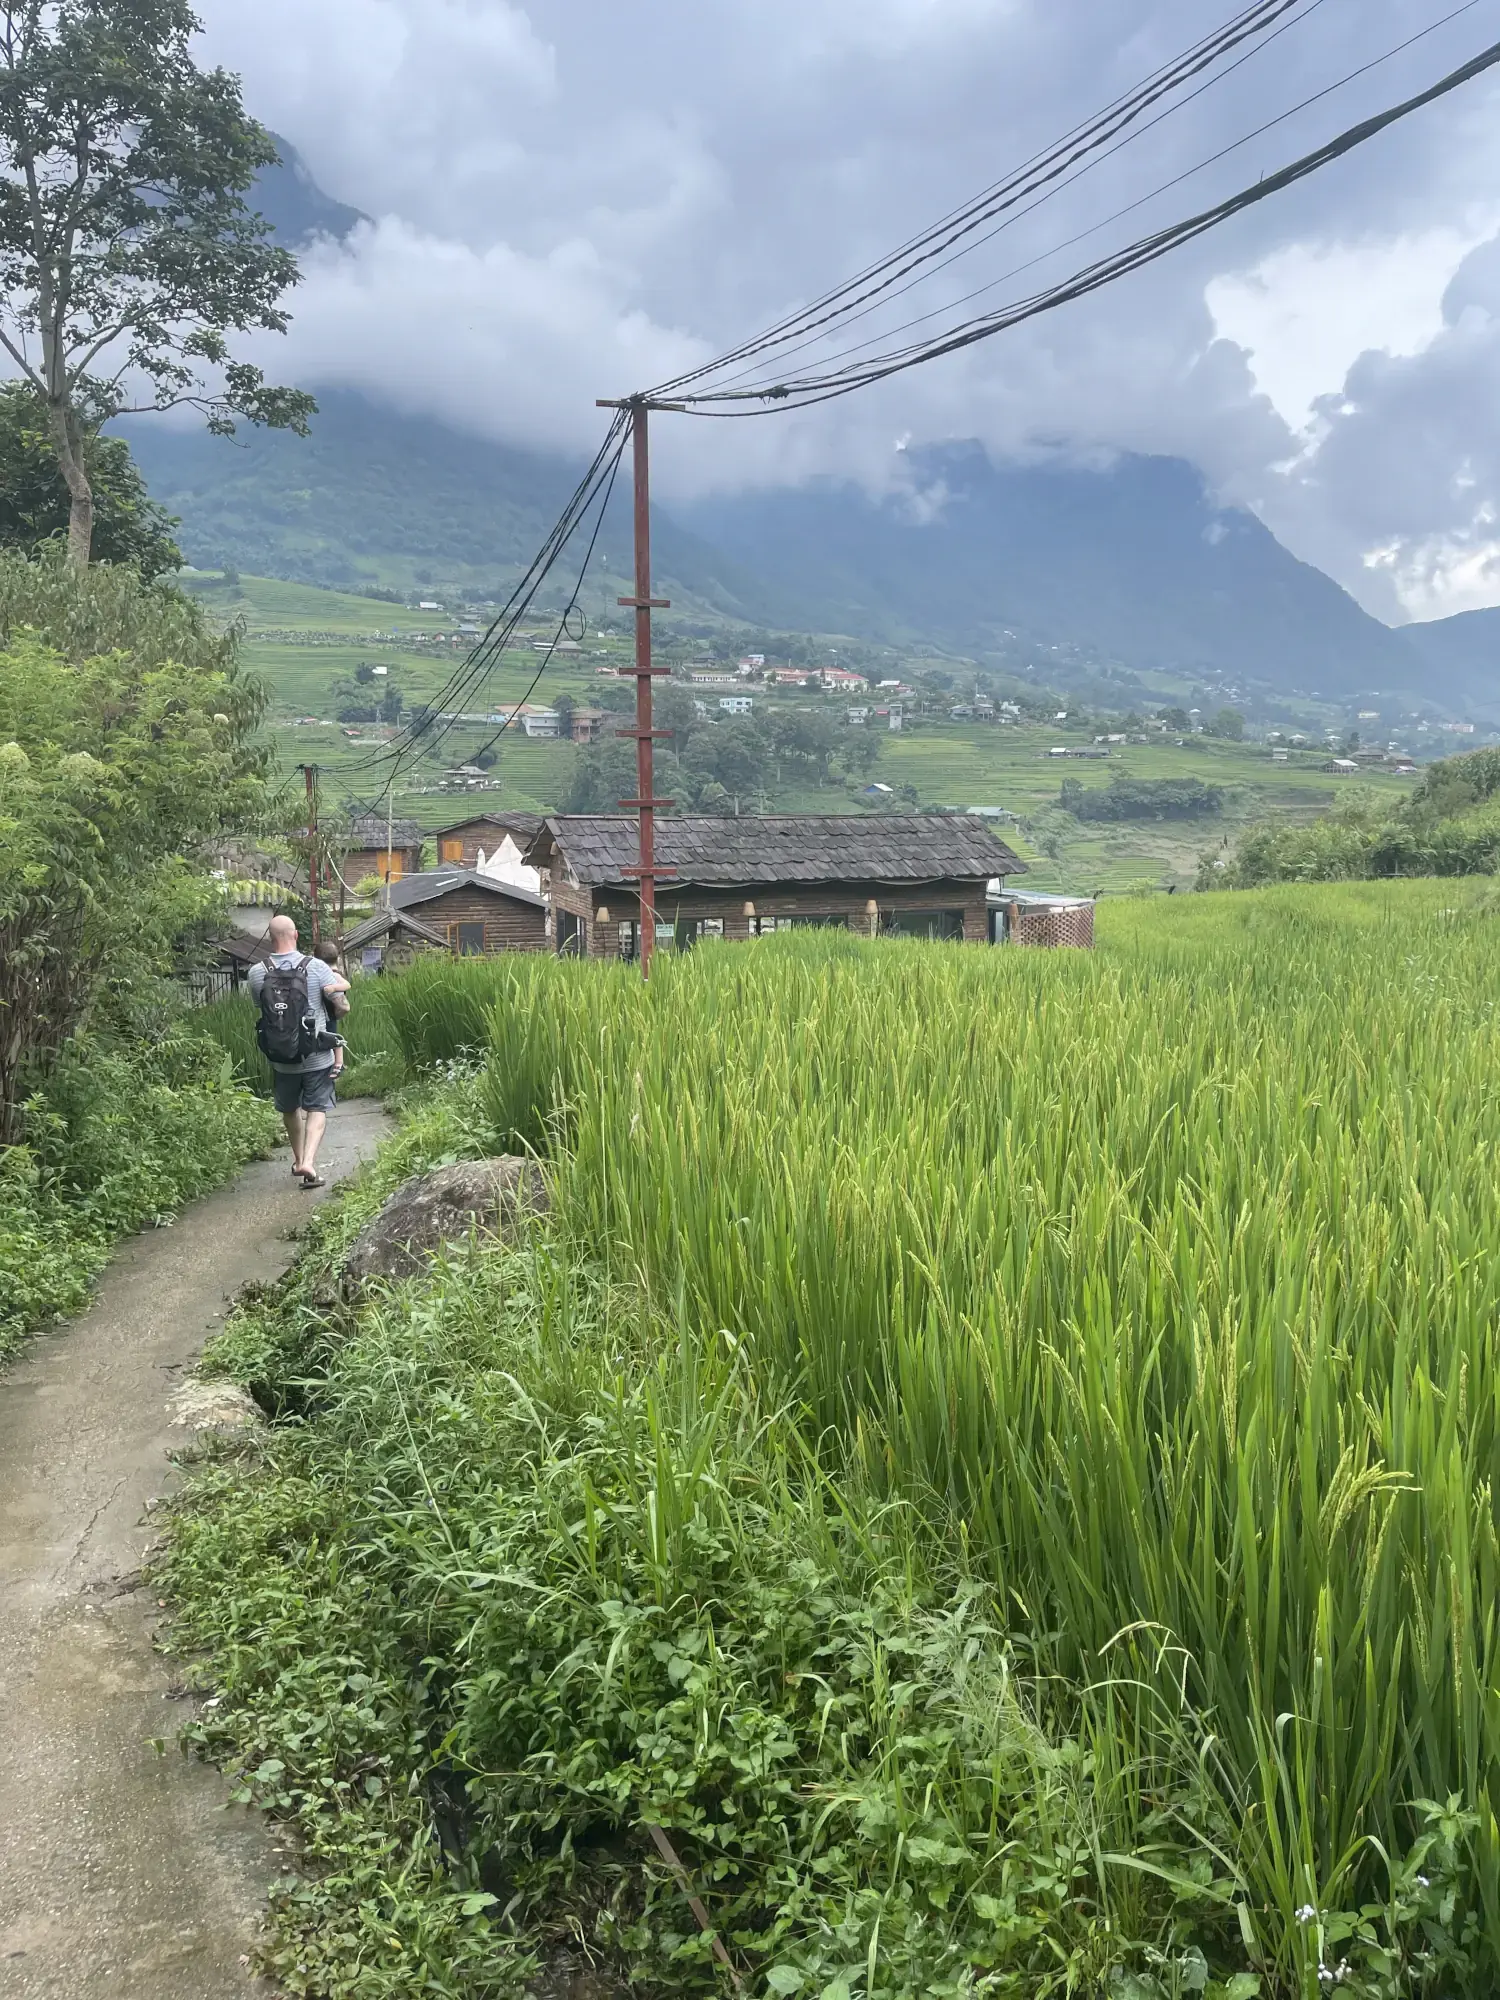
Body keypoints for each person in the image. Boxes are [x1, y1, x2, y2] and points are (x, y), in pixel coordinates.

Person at [247, 915, 350, 1188]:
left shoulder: (257, 972)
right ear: (295, 935)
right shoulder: (316, 967)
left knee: (290, 1109)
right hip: (317, 1055)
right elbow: (341, 1004)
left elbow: (261, 1006)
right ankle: (308, 1162)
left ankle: (296, 1159)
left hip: (281, 1058)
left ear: (271, 938)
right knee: (317, 1108)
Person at [314, 938, 351, 1079]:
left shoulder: (333, 973)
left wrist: (334, 987)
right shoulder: (325, 973)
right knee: (330, 1036)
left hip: (330, 1010)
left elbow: (347, 985)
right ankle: (335, 1063)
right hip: (327, 1010)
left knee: (333, 1037)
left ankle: (339, 1064)